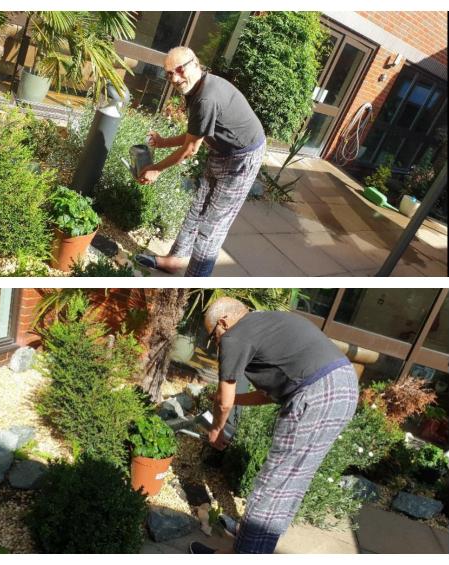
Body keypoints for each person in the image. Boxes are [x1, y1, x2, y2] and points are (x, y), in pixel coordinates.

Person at [190, 298, 359, 554]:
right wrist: (231, 400)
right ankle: (255, 539)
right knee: (294, 478)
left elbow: (224, 404)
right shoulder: (269, 323)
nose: (216, 343)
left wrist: (215, 429)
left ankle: (246, 552)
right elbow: (266, 395)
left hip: (317, 392)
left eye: (213, 336)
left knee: (275, 481)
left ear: (224, 322)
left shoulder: (235, 335)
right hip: (343, 387)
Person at [135, 46, 265, 277]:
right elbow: (195, 136)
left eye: (179, 69)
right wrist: (164, 142)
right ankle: (174, 261)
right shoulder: (196, 89)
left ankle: (189, 287)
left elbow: (190, 149)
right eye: (169, 74)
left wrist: (156, 169)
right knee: (197, 208)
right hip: (221, 150)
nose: (174, 78)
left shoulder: (206, 97)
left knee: (211, 229)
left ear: (195, 63)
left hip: (241, 161)